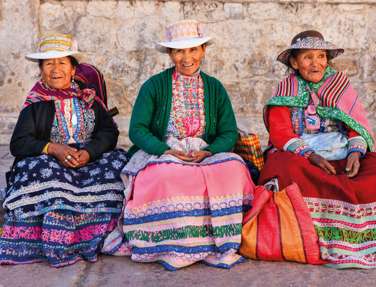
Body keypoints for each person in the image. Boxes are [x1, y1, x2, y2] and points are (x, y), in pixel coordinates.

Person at [103, 20, 254, 270]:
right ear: (171, 54)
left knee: (233, 170)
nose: (187, 57)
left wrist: (210, 151)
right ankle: (173, 244)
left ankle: (218, 242)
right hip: (164, 150)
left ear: (203, 50)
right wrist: (166, 151)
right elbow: (137, 129)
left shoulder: (214, 88)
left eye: (193, 49)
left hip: (204, 152)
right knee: (164, 174)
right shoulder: (154, 86)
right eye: (180, 51)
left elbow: (228, 132)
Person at [0, 33, 128, 267]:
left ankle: (105, 236)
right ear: (41, 69)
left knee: (120, 170)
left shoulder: (88, 98)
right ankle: (58, 240)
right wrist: (52, 148)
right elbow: (19, 143)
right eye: (49, 63)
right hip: (51, 161)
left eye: (61, 62)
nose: (55, 69)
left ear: (72, 69)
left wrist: (90, 152)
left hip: (88, 159)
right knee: (45, 179)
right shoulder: (36, 102)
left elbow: (109, 133)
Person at [259, 30, 376, 268]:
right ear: (294, 62)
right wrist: (310, 156)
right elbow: (280, 132)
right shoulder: (286, 89)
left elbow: (356, 124)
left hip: (342, 153)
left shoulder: (340, 86)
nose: (316, 63)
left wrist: (355, 152)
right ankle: (308, 240)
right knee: (284, 167)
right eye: (307, 57)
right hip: (302, 156)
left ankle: (361, 240)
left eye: (321, 56)